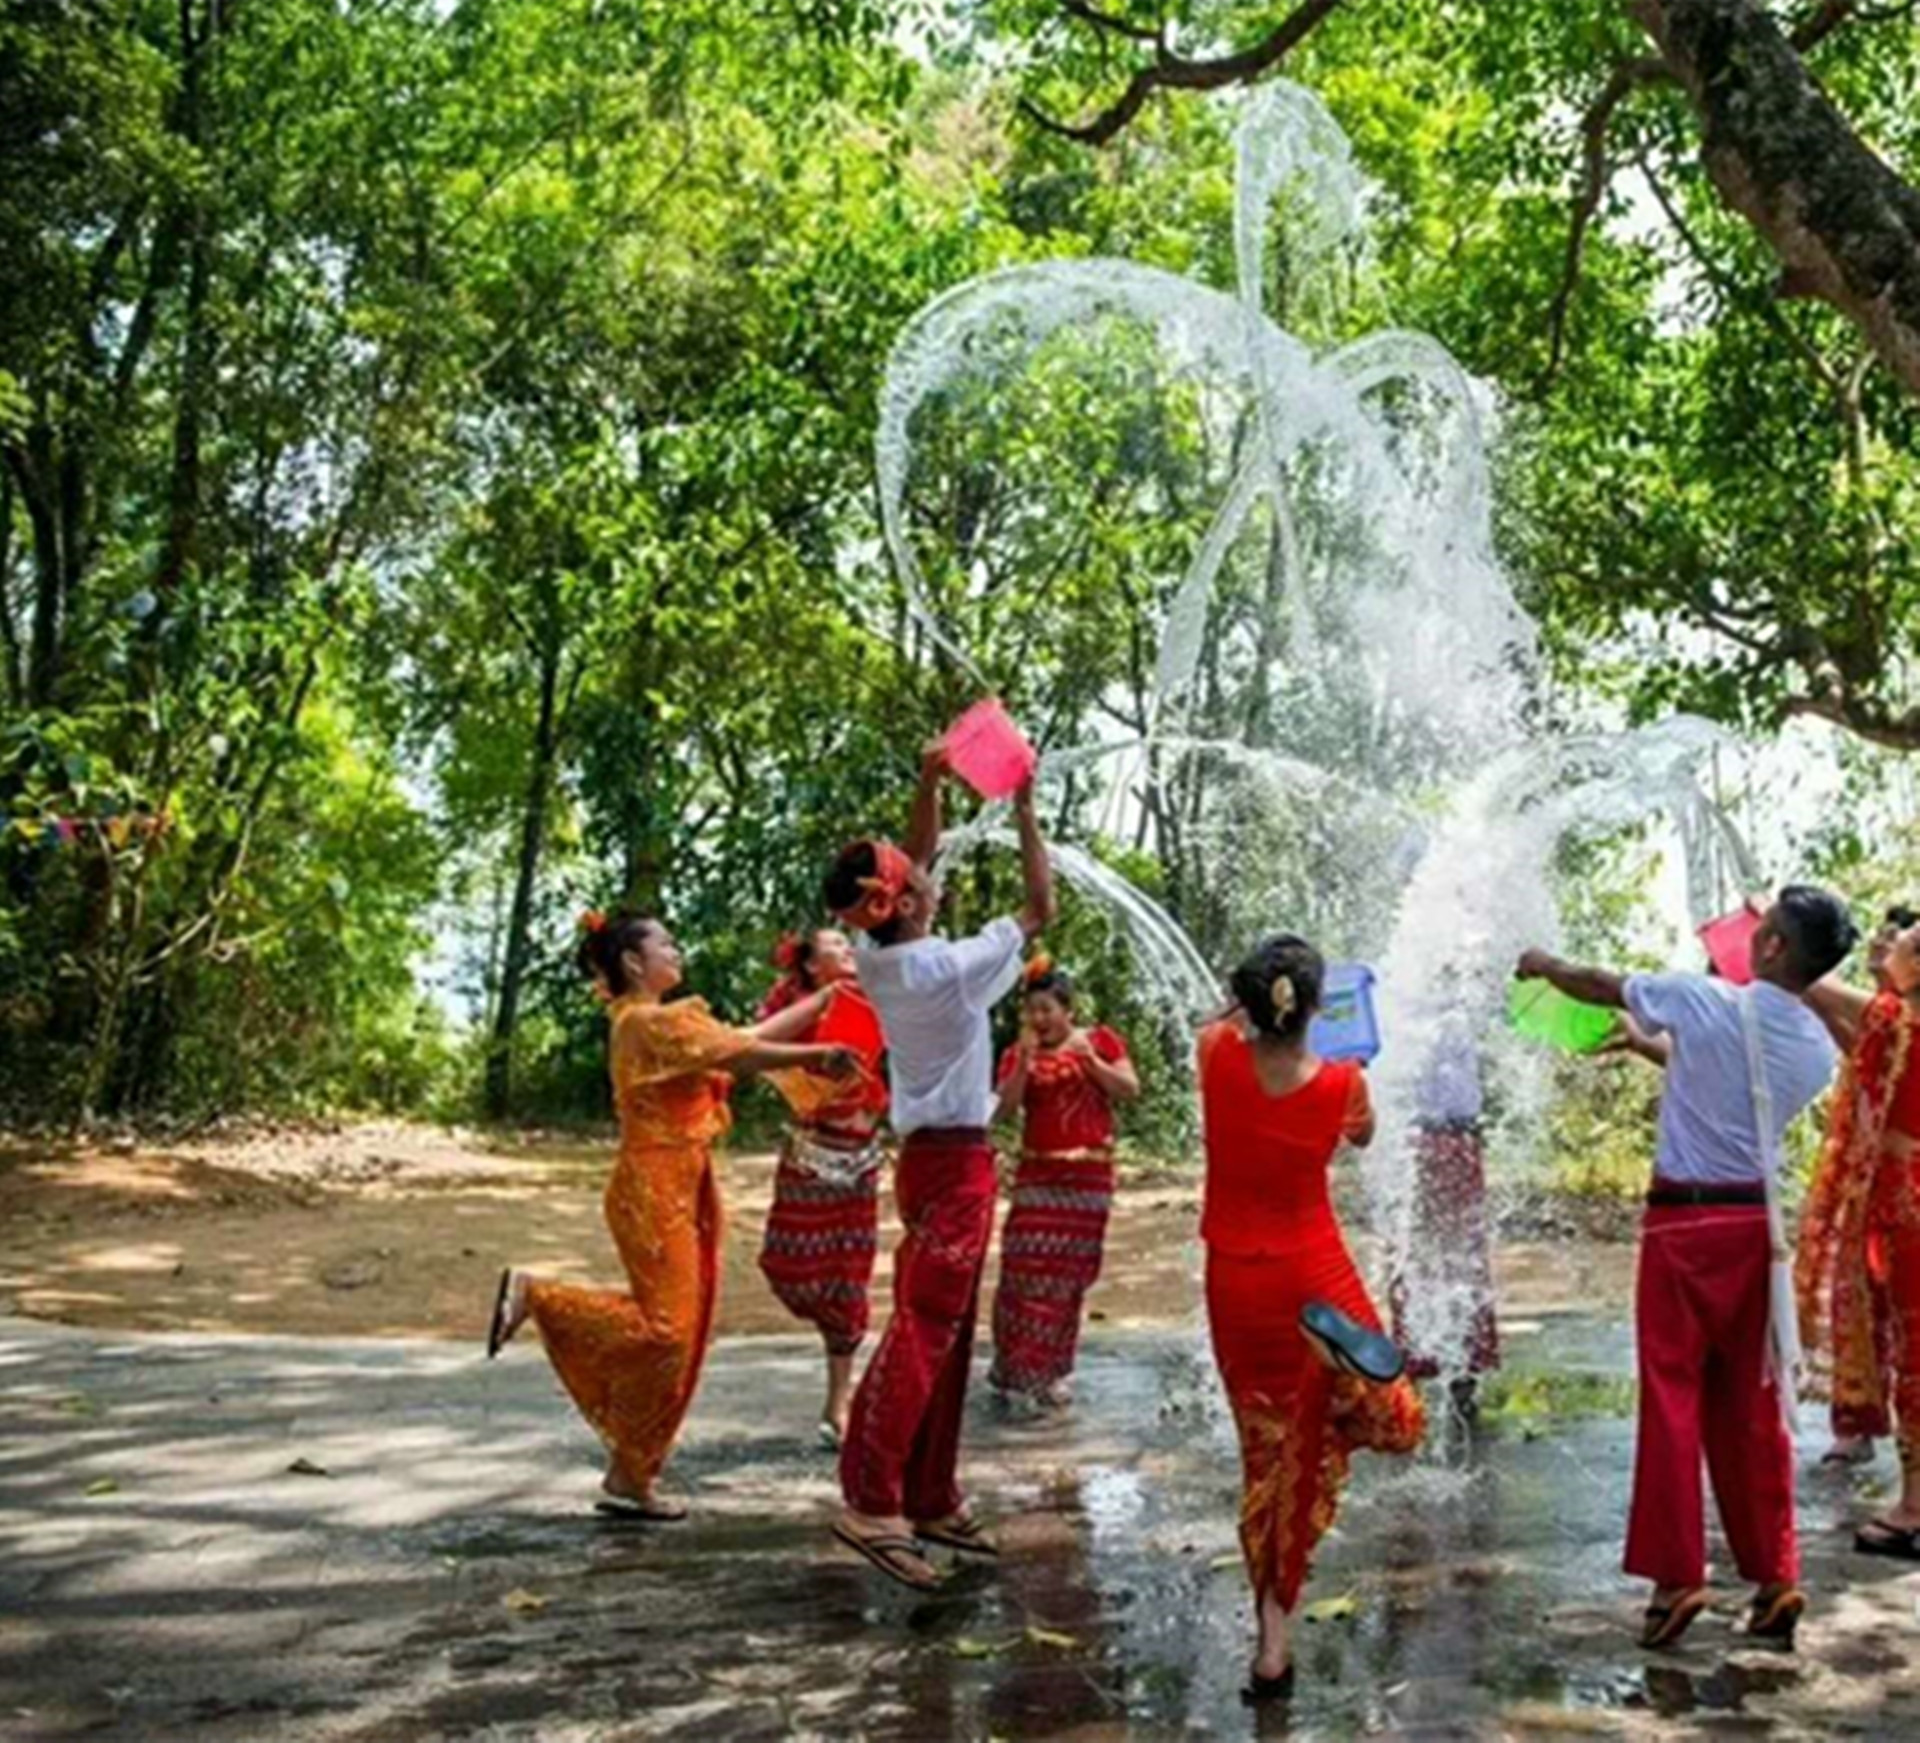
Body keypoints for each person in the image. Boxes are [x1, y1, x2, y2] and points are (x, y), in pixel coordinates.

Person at [1516, 885, 1856, 1651]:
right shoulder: (1809, 1045)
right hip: (1753, 1231)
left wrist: (1542, 962)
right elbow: (1727, 1072)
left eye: (1759, 928)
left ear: (1771, 947)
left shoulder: (1703, 997)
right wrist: (1646, 1046)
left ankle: (1677, 1576)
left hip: (1682, 1224)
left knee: (1672, 1392)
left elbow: (1600, 984)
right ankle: (1774, 1576)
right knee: (1749, 1400)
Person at [485, 910, 856, 1519]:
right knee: (666, 1332)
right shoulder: (644, 1024)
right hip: (652, 1188)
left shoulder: (667, 1025)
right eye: (666, 944)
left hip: (687, 1185)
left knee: (686, 1336)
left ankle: (631, 1477)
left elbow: (742, 1040)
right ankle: (539, 1296)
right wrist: (821, 1049)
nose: (676, 952)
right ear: (634, 963)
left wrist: (826, 1004)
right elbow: (741, 1054)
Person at [823, 746, 1055, 1592]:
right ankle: (871, 1496)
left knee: (947, 1330)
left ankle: (930, 1492)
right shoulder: (949, 969)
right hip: (956, 1166)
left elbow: (913, 866)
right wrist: (1026, 809)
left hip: (930, 1159)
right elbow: (1041, 905)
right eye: (913, 876)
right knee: (926, 1323)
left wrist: (926, 780)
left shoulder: (879, 952)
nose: (927, 875)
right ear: (907, 901)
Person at [1200, 933, 1425, 1703]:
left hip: (1235, 1279)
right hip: (1314, 1271)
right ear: (1317, 1005)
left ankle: (1273, 1644)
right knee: (1396, 1416)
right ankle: (1336, 1408)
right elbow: (1364, 1136)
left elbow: (1217, 1021)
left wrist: (1242, 1008)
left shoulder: (1214, 1055)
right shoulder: (1342, 1081)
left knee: (1266, 1457)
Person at [1798, 911, 1920, 1556]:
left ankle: (1913, 1508)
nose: (1885, 953)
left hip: (1906, 1205)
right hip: (1902, 1201)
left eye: (1895, 946)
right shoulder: (1900, 1027)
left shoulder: (1899, 1019)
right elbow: (1864, 1046)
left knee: (1913, 1354)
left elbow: (1815, 983)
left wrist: (1773, 922)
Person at [754, 928, 890, 1448]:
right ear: (811, 966)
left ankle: (839, 1403)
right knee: (789, 1268)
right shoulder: (795, 1004)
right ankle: (832, 1338)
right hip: (810, 1156)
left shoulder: (873, 996)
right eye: (837, 945)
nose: (850, 948)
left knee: (850, 1283)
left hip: (860, 1160)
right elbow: (754, 1045)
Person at [989, 956, 1140, 1407]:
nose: (1039, 1019)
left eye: (1047, 1009)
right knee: (1022, 1271)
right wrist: (1023, 1062)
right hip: (1038, 1176)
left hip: (1087, 1180)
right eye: (1031, 1010)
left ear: (1067, 1009)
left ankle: (1053, 1370)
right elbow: (1004, 1109)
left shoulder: (1099, 1041)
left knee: (1068, 1279)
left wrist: (1090, 1061)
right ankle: (1012, 1368)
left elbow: (1129, 1089)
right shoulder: (1018, 1054)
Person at [1391, 1003, 1500, 1413]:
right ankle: (1460, 1370)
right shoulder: (1454, 1018)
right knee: (1460, 1255)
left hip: (1426, 1141)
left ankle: (1417, 1369)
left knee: (1415, 1256)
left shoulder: (1402, 1014)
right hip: (1451, 1141)